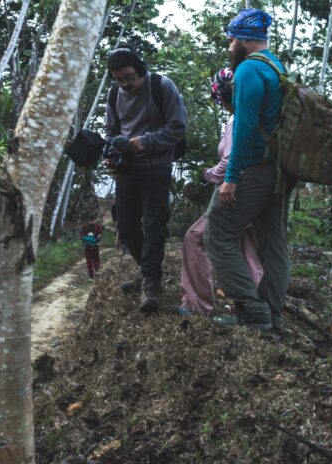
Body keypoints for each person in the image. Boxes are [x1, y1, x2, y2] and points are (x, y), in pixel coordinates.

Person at [205, 9, 291, 332]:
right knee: (273, 243)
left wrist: (231, 177)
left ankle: (254, 313)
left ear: (243, 39)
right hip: (279, 169)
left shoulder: (248, 70)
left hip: (254, 168)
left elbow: (244, 127)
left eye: (231, 39)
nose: (229, 46)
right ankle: (273, 317)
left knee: (218, 233)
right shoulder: (276, 66)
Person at [104, 45, 188, 313]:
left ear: (140, 71)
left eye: (128, 77)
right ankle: (146, 269)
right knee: (126, 226)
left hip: (157, 167)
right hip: (128, 170)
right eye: (118, 79)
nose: (124, 84)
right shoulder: (114, 92)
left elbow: (178, 126)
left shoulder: (161, 86)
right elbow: (111, 129)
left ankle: (150, 282)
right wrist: (112, 152)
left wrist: (147, 141)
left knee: (154, 225)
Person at [178, 68, 263, 316]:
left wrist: (208, 174)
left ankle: (197, 304)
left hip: (236, 190)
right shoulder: (258, 115)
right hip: (260, 189)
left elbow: (229, 161)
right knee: (247, 246)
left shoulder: (237, 119)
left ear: (223, 96)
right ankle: (253, 306)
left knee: (195, 238)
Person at [80, 215, 102, 279]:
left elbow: (81, 236)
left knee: (89, 260)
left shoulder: (84, 226)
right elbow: (99, 236)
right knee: (96, 258)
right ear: (95, 219)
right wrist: (96, 241)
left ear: (89, 219)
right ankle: (97, 271)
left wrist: (85, 241)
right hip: (95, 246)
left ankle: (91, 277)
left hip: (87, 246)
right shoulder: (98, 226)